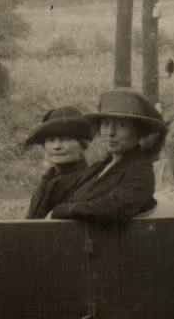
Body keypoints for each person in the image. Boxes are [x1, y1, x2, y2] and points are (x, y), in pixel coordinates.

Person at [50, 87, 162, 222]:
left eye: (121, 125)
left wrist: (61, 211)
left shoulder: (140, 171)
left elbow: (114, 208)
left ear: (138, 131)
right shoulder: (99, 167)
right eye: (106, 124)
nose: (110, 132)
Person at [23, 106, 94, 219]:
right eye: (51, 140)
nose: (56, 147)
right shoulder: (48, 178)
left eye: (65, 139)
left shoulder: (86, 181)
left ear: (82, 146)